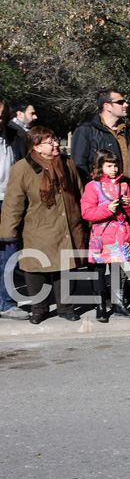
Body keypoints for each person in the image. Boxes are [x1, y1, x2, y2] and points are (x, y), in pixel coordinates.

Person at [0, 127, 86, 323]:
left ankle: (66, 307)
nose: (56, 143)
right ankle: (39, 308)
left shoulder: (67, 163)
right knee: (36, 268)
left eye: (55, 139)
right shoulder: (22, 168)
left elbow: (79, 192)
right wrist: (7, 232)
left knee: (66, 266)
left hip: (67, 224)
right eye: (50, 142)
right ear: (37, 147)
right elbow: (13, 203)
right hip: (38, 226)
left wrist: (84, 219)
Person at [80, 149, 130, 322]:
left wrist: (129, 205)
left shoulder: (124, 185)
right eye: (109, 166)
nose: (114, 169)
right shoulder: (93, 186)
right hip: (101, 235)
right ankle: (100, 305)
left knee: (116, 271)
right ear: (100, 166)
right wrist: (107, 209)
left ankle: (118, 304)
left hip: (119, 235)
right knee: (99, 271)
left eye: (116, 166)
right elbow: (87, 212)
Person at [0, 100, 30, 320]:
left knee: (8, 254)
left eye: (2, 115)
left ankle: (7, 303)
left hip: (8, 202)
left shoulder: (15, 136)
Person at [70, 88, 130, 181]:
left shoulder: (129, 132)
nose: (126, 105)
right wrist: (95, 189)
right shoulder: (85, 130)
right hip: (98, 192)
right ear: (107, 106)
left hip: (126, 191)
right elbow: (79, 165)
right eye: (120, 102)